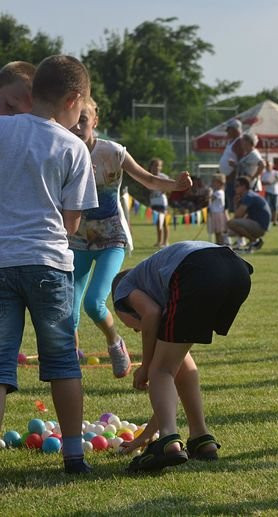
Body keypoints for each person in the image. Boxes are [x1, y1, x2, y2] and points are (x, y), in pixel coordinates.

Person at [0, 55, 98, 473]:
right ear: (74, 99)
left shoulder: (2, 130)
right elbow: (72, 220)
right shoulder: (73, 146)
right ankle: (74, 455)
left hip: (1, 261)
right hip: (49, 264)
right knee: (61, 362)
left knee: (2, 362)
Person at [68, 97, 191, 378]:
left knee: (94, 303)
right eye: (73, 121)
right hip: (77, 241)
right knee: (68, 313)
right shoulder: (63, 150)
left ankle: (114, 342)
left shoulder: (113, 152)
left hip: (112, 238)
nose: (76, 127)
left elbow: (147, 179)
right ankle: (70, 366)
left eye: (83, 121)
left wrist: (175, 185)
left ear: (95, 122)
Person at [111, 241, 253, 472]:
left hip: (199, 271)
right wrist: (147, 435)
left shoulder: (123, 289)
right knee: (173, 366)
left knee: (160, 370)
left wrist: (145, 367)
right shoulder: (161, 285)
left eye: (130, 325)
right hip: (236, 271)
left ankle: (168, 441)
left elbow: (151, 314)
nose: (136, 331)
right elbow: (176, 373)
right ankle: (200, 438)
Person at [227, 176, 270, 251]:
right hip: (260, 225)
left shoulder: (248, 196)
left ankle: (254, 241)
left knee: (231, 223)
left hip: (260, 226)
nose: (235, 188)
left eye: (237, 186)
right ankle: (249, 244)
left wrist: (235, 204)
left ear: (244, 186)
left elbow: (237, 215)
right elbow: (240, 217)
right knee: (231, 230)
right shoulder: (249, 195)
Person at [219, 118, 243, 213]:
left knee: (234, 205)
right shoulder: (232, 141)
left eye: (229, 129)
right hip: (228, 179)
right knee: (229, 205)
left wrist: (232, 174)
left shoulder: (239, 142)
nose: (227, 132)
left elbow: (241, 161)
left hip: (233, 179)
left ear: (235, 130)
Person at [148, 158, 171, 248]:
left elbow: (170, 187)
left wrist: (165, 190)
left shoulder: (163, 177)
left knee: (164, 222)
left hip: (162, 202)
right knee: (158, 223)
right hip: (154, 202)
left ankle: (166, 241)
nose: (157, 168)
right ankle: (159, 241)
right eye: (155, 166)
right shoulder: (148, 176)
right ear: (151, 167)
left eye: (159, 166)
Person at [260, 158, 278, 225]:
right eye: (267, 165)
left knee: (275, 207)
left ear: (272, 166)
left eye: (269, 165)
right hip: (268, 192)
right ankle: (268, 219)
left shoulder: (276, 172)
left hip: (276, 192)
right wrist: (267, 183)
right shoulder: (264, 173)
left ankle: (274, 221)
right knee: (267, 206)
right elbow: (261, 182)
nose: (268, 167)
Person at [207, 173, 228, 245]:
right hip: (215, 213)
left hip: (218, 214)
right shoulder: (217, 192)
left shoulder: (219, 192)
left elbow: (210, 199)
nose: (212, 183)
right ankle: (218, 243)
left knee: (219, 231)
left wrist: (209, 193)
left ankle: (221, 243)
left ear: (219, 183)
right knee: (217, 231)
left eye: (213, 182)